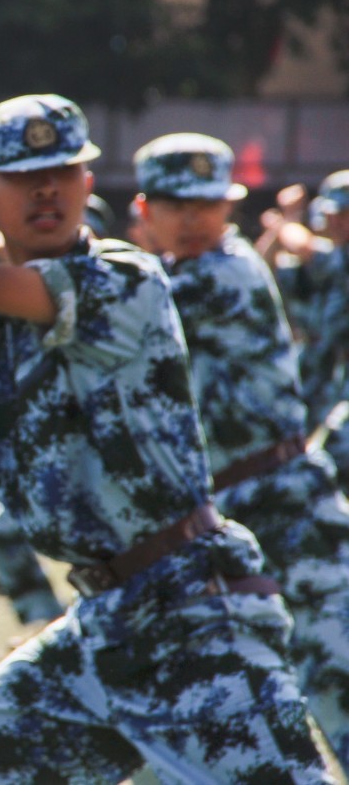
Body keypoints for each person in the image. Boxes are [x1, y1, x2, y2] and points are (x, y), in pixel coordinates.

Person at [0, 93, 332, 782]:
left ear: (89, 184)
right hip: (101, 626)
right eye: (24, 177)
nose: (47, 189)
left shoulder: (124, 278)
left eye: (63, 171)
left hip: (196, 616)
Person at [134, 132, 349, 769]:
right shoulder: (171, 277)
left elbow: (102, 305)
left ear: (229, 208)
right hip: (217, 523)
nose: (194, 219)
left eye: (208, 204)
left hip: (285, 508)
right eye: (177, 204)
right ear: (146, 209)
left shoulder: (219, 272)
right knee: (199, 707)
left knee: (337, 685)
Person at [256, 170, 349, 495]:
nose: (336, 222)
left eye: (344, 215)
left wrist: (286, 222)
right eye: (332, 214)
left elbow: (302, 244)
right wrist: (284, 222)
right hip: (315, 382)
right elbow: (263, 269)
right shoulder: (320, 267)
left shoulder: (336, 258)